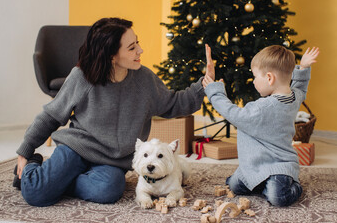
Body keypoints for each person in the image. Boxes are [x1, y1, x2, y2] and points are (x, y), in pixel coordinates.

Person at [14, 17, 214, 207]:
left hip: (112, 160)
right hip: (76, 148)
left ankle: (58, 183)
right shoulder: (81, 77)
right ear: (111, 55)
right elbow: (51, 115)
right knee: (36, 194)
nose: (140, 50)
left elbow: (173, 103)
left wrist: (203, 85)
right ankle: (35, 165)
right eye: (132, 47)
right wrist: (26, 150)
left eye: (137, 43)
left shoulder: (144, 79)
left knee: (108, 191)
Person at [203, 44, 319, 207]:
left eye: (255, 77)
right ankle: (262, 182)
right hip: (255, 166)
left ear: (270, 78)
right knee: (234, 186)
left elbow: (233, 113)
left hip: (280, 166)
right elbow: (300, 86)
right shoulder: (294, 96)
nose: (254, 82)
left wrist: (214, 91)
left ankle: (294, 186)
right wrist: (304, 67)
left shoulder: (261, 108)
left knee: (278, 198)